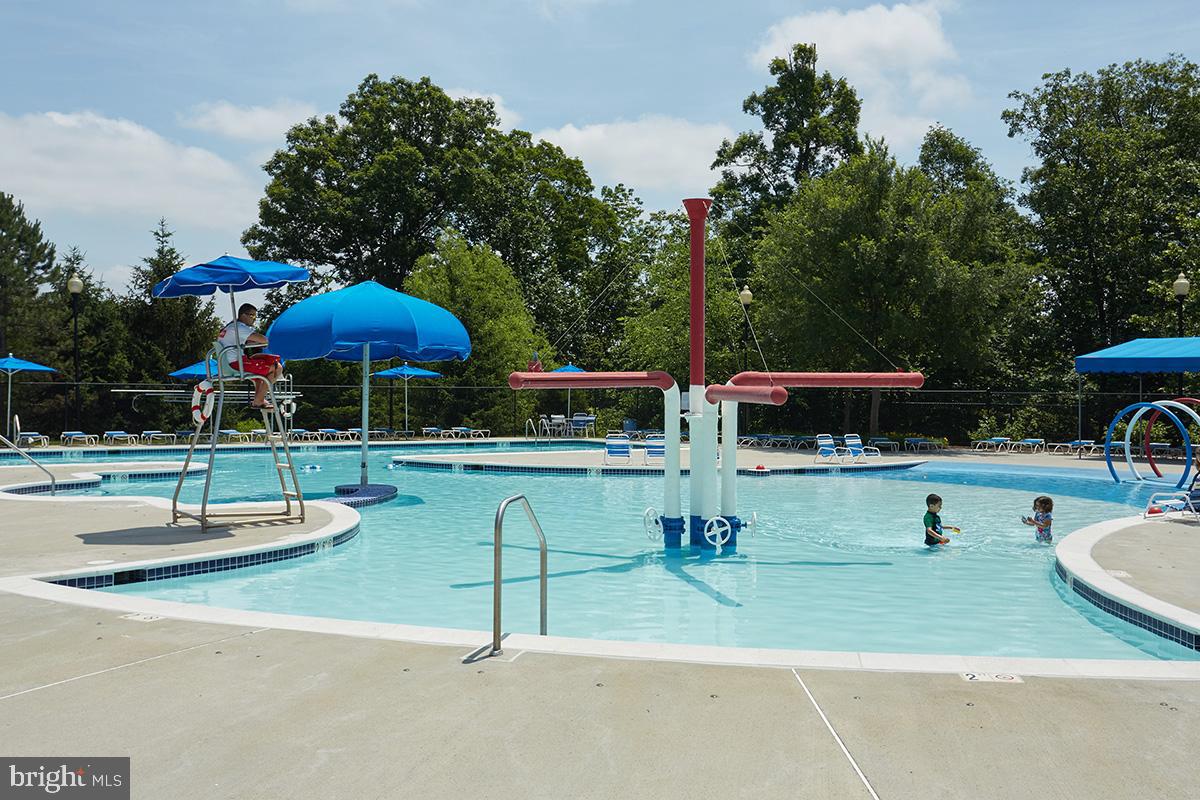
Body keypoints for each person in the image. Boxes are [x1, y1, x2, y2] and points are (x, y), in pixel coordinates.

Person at [216, 303, 283, 410]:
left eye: (255, 316)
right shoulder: (239, 328)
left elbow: (248, 342)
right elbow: (264, 340)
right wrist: (266, 340)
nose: (254, 319)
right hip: (237, 364)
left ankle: (259, 399)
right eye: (252, 315)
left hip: (228, 363)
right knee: (277, 367)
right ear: (243, 315)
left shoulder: (229, 327)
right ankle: (259, 400)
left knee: (259, 366)